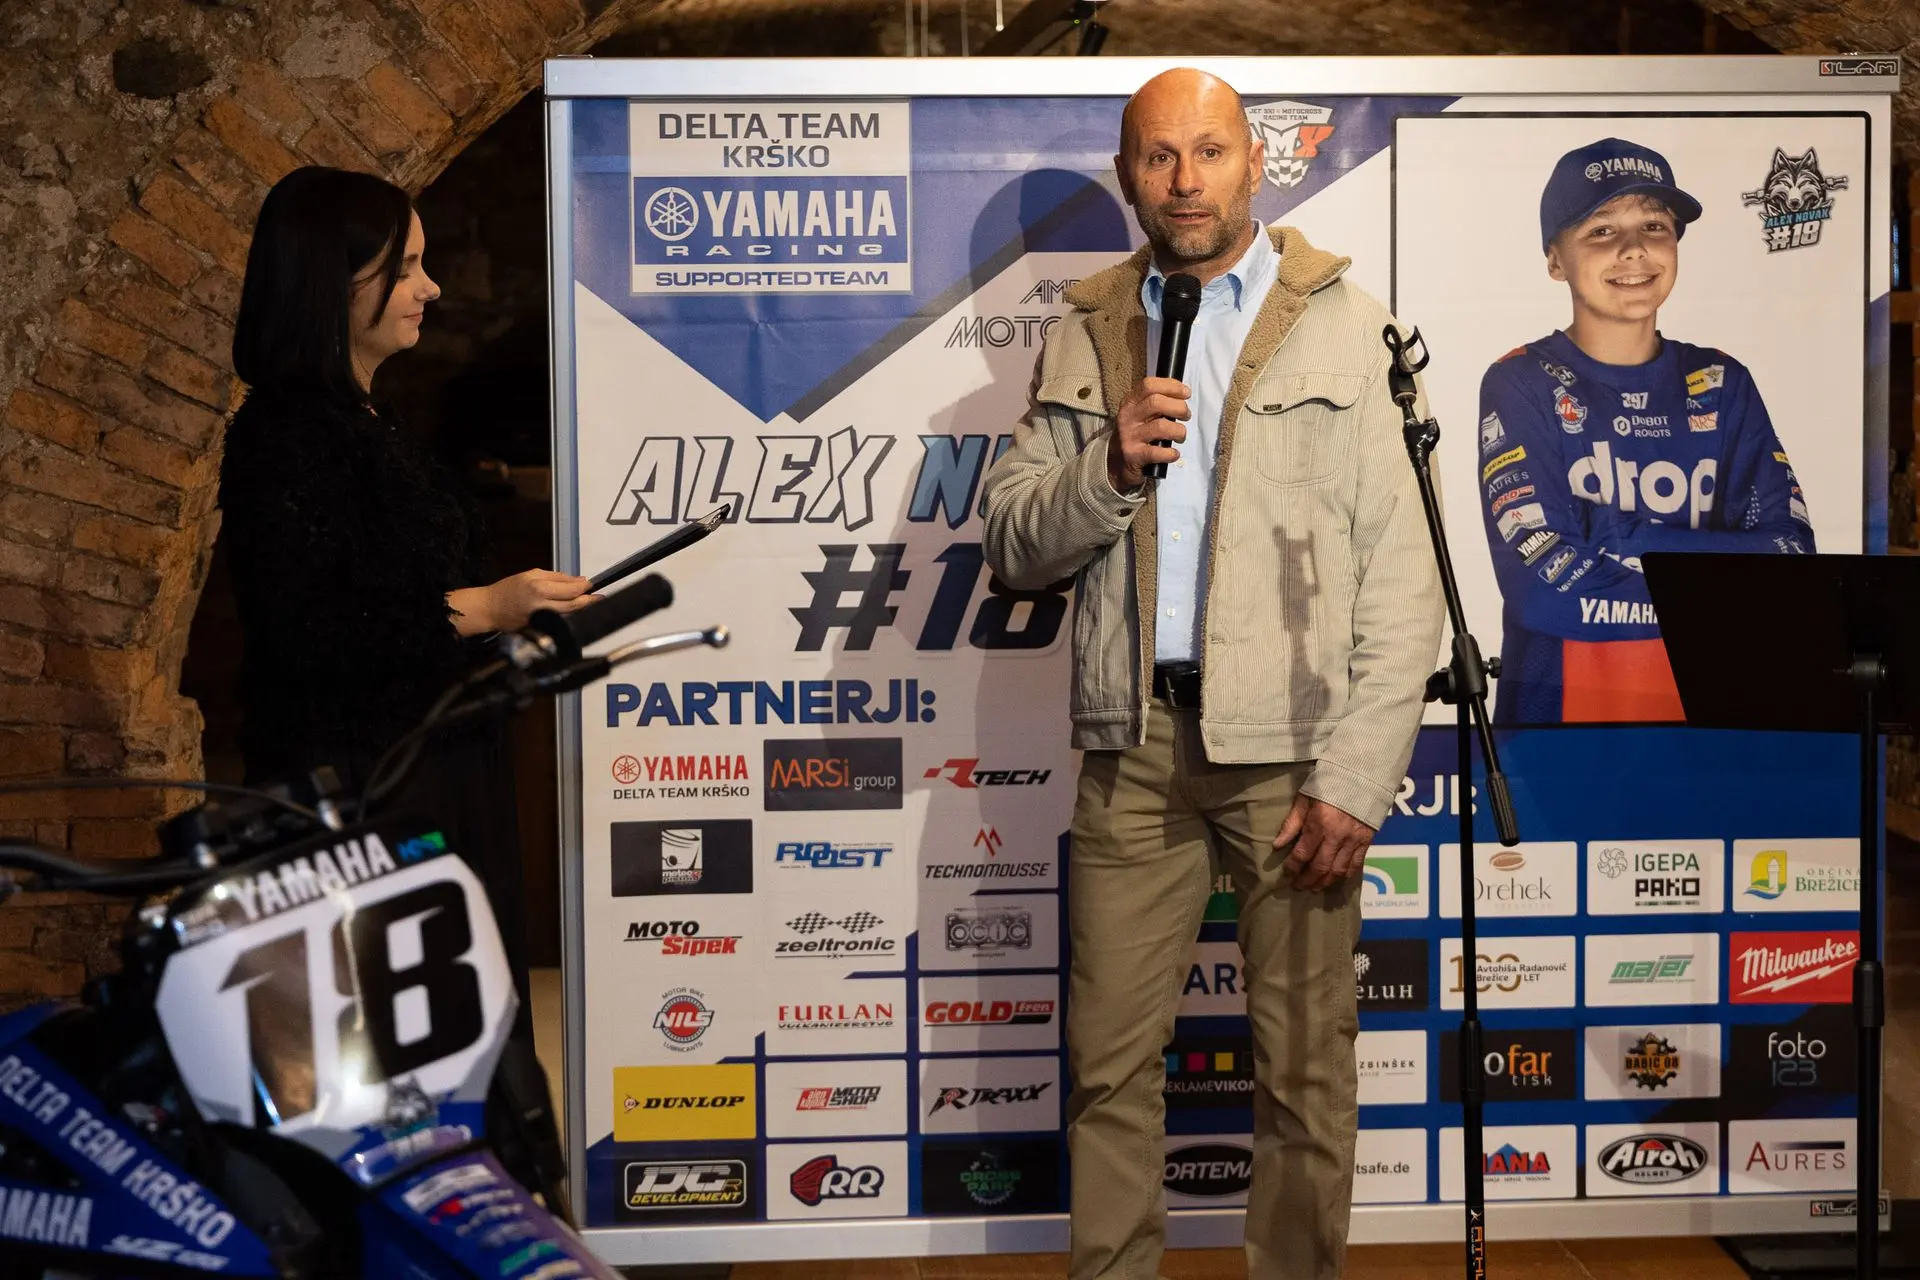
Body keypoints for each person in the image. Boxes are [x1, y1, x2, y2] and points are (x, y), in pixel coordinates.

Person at [980, 69, 1443, 1280]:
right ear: (1127, 174)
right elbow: (1015, 544)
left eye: (1209, 152)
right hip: (1130, 748)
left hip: (1292, 756)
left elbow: (1405, 580)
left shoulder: (1353, 325)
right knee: (1107, 1070)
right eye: (1158, 156)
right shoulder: (1086, 326)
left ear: (1256, 162)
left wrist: (1356, 778)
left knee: (1304, 1071)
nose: (1185, 181)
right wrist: (1109, 465)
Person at [220, 165, 590, 1203]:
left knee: (461, 1061)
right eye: (409, 266)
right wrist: (490, 606)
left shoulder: (372, 421)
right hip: (364, 806)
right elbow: (312, 628)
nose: (433, 288)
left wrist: (518, 629)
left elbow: (409, 612)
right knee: (394, 1079)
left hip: (431, 781)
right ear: (335, 282)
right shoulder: (284, 433)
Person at [1479, 137, 1815, 725]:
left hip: (1715, 721)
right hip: (1557, 730)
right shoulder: (1521, 380)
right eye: (1602, 230)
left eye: (1655, 226)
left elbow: (1791, 561)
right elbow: (1543, 594)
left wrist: (1624, 535)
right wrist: (1718, 586)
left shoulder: (1722, 381)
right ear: (1555, 261)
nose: (1633, 249)